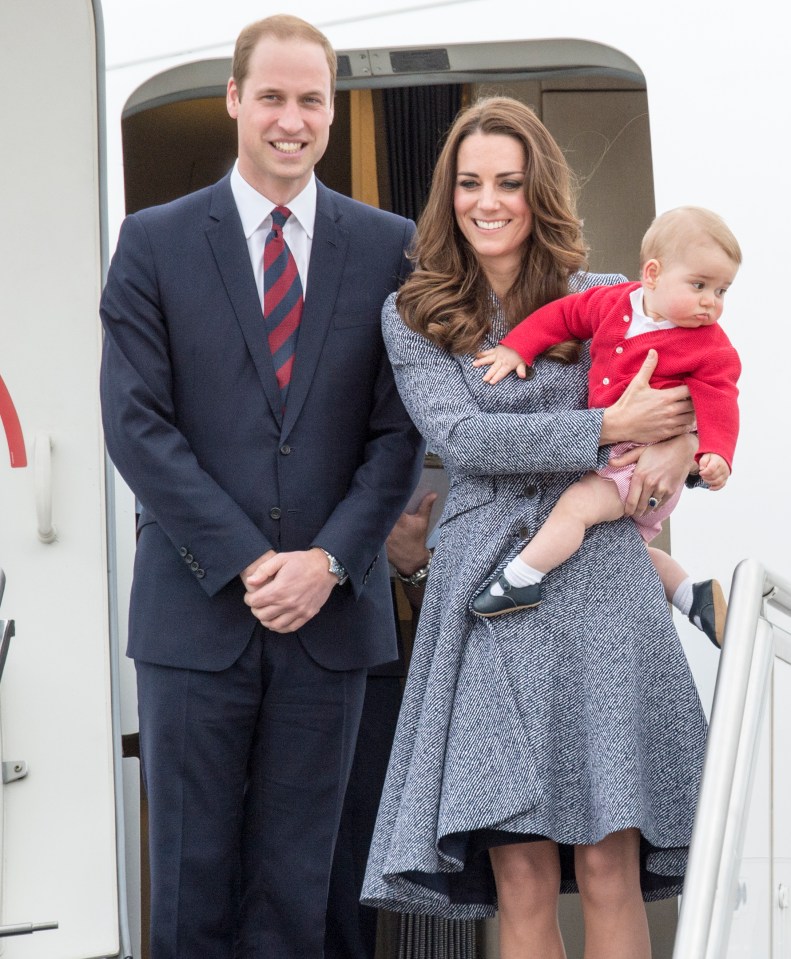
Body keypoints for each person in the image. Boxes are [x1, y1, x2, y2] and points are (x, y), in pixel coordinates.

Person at [99, 14, 423, 959]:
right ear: (235, 99)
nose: (292, 119)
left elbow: (397, 431)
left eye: (310, 100)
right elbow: (137, 425)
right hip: (194, 616)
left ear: (334, 109)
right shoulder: (153, 242)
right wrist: (251, 560)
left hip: (331, 621)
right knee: (190, 890)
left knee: (310, 892)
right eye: (272, 96)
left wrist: (326, 561)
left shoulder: (388, 246)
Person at [361, 96, 710, 959]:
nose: (488, 201)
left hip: (600, 585)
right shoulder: (411, 313)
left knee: (606, 867)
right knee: (516, 877)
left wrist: (686, 437)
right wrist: (604, 427)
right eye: (470, 182)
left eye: (509, 183)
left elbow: (683, 393)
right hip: (489, 597)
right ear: (447, 195)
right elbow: (464, 440)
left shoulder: (608, 299)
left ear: (537, 191)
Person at [470, 205, 741, 648]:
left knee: (577, 506)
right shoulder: (613, 302)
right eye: (700, 286)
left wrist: (714, 452)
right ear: (652, 275)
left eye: (722, 290)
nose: (712, 302)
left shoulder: (710, 348)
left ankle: (520, 578)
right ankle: (693, 596)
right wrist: (518, 348)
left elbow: (721, 401)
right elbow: (560, 317)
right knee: (629, 553)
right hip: (618, 454)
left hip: (636, 462)